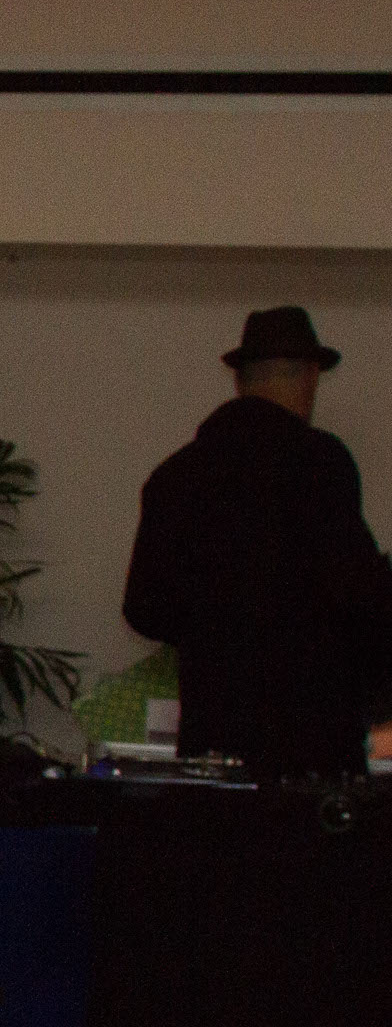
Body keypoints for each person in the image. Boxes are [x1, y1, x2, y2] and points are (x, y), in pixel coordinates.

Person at [123, 304, 392, 778]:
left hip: (213, 735)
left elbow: (145, 607)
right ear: (310, 377)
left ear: (238, 380)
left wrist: (216, 628)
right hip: (313, 743)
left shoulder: (175, 476)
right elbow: (361, 597)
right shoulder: (321, 465)